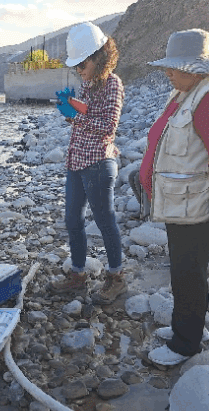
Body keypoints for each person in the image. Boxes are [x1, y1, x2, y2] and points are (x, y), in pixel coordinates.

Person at [142, 29, 209, 367]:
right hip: (180, 202)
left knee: (189, 273)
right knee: (183, 270)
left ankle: (186, 344)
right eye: (167, 67)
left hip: (197, 204)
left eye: (175, 67)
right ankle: (187, 327)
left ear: (198, 67)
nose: (168, 73)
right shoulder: (187, 91)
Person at [49, 21, 127, 305]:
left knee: (105, 221)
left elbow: (108, 127)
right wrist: (69, 110)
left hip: (98, 162)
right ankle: (78, 275)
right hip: (77, 161)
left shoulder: (113, 84)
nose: (79, 71)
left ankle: (116, 277)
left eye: (82, 65)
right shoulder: (86, 84)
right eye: (76, 67)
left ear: (99, 57)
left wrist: (76, 115)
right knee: (72, 220)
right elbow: (82, 120)